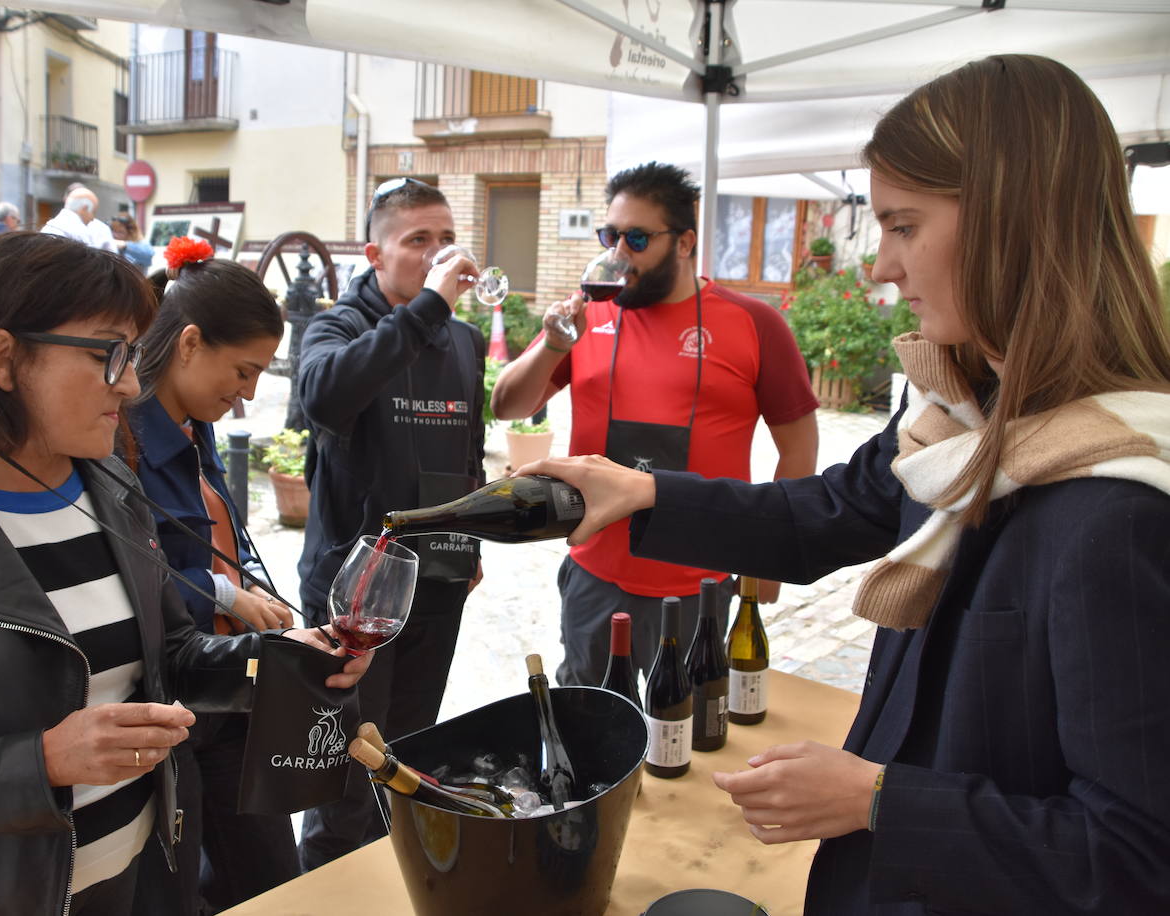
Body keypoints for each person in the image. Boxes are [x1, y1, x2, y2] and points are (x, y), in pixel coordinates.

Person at [520, 55, 1170, 914]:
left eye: (903, 227)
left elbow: (1134, 857)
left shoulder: (1118, 505)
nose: (882, 269)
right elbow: (833, 509)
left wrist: (875, 800)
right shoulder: (958, 410)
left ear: (1014, 225)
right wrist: (646, 494)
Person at [0, 231, 369, 916]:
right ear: (5, 358)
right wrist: (40, 763)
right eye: (110, 355)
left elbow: (171, 659)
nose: (130, 384)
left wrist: (276, 663)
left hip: (140, 879)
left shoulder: (109, 484)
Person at [491, 161, 819, 686]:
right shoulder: (588, 316)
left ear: (685, 242)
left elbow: (799, 448)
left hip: (700, 582)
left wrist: (768, 562)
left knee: (687, 736)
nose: (618, 254)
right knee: (586, 731)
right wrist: (555, 344)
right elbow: (507, 404)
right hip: (595, 572)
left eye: (637, 238)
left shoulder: (754, 324)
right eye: (610, 235)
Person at [295, 177, 485, 871]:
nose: (439, 254)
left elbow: (468, 449)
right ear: (376, 253)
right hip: (356, 594)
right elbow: (325, 398)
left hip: (437, 579)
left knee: (409, 754)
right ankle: (329, 890)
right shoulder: (336, 327)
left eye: (445, 238)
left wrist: (470, 544)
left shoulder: (460, 339)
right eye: (418, 242)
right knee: (346, 771)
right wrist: (429, 303)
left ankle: (391, 881)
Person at [126, 240, 301, 914]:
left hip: (229, 683)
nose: (249, 393)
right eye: (244, 371)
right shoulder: (122, 436)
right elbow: (147, 564)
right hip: (175, 695)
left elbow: (224, 529)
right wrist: (227, 593)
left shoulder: (194, 423)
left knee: (267, 869)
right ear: (189, 344)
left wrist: (251, 583)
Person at [43, 188, 116, 252]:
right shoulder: (78, 230)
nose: (92, 219)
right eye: (93, 212)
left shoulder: (52, 225)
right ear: (84, 208)